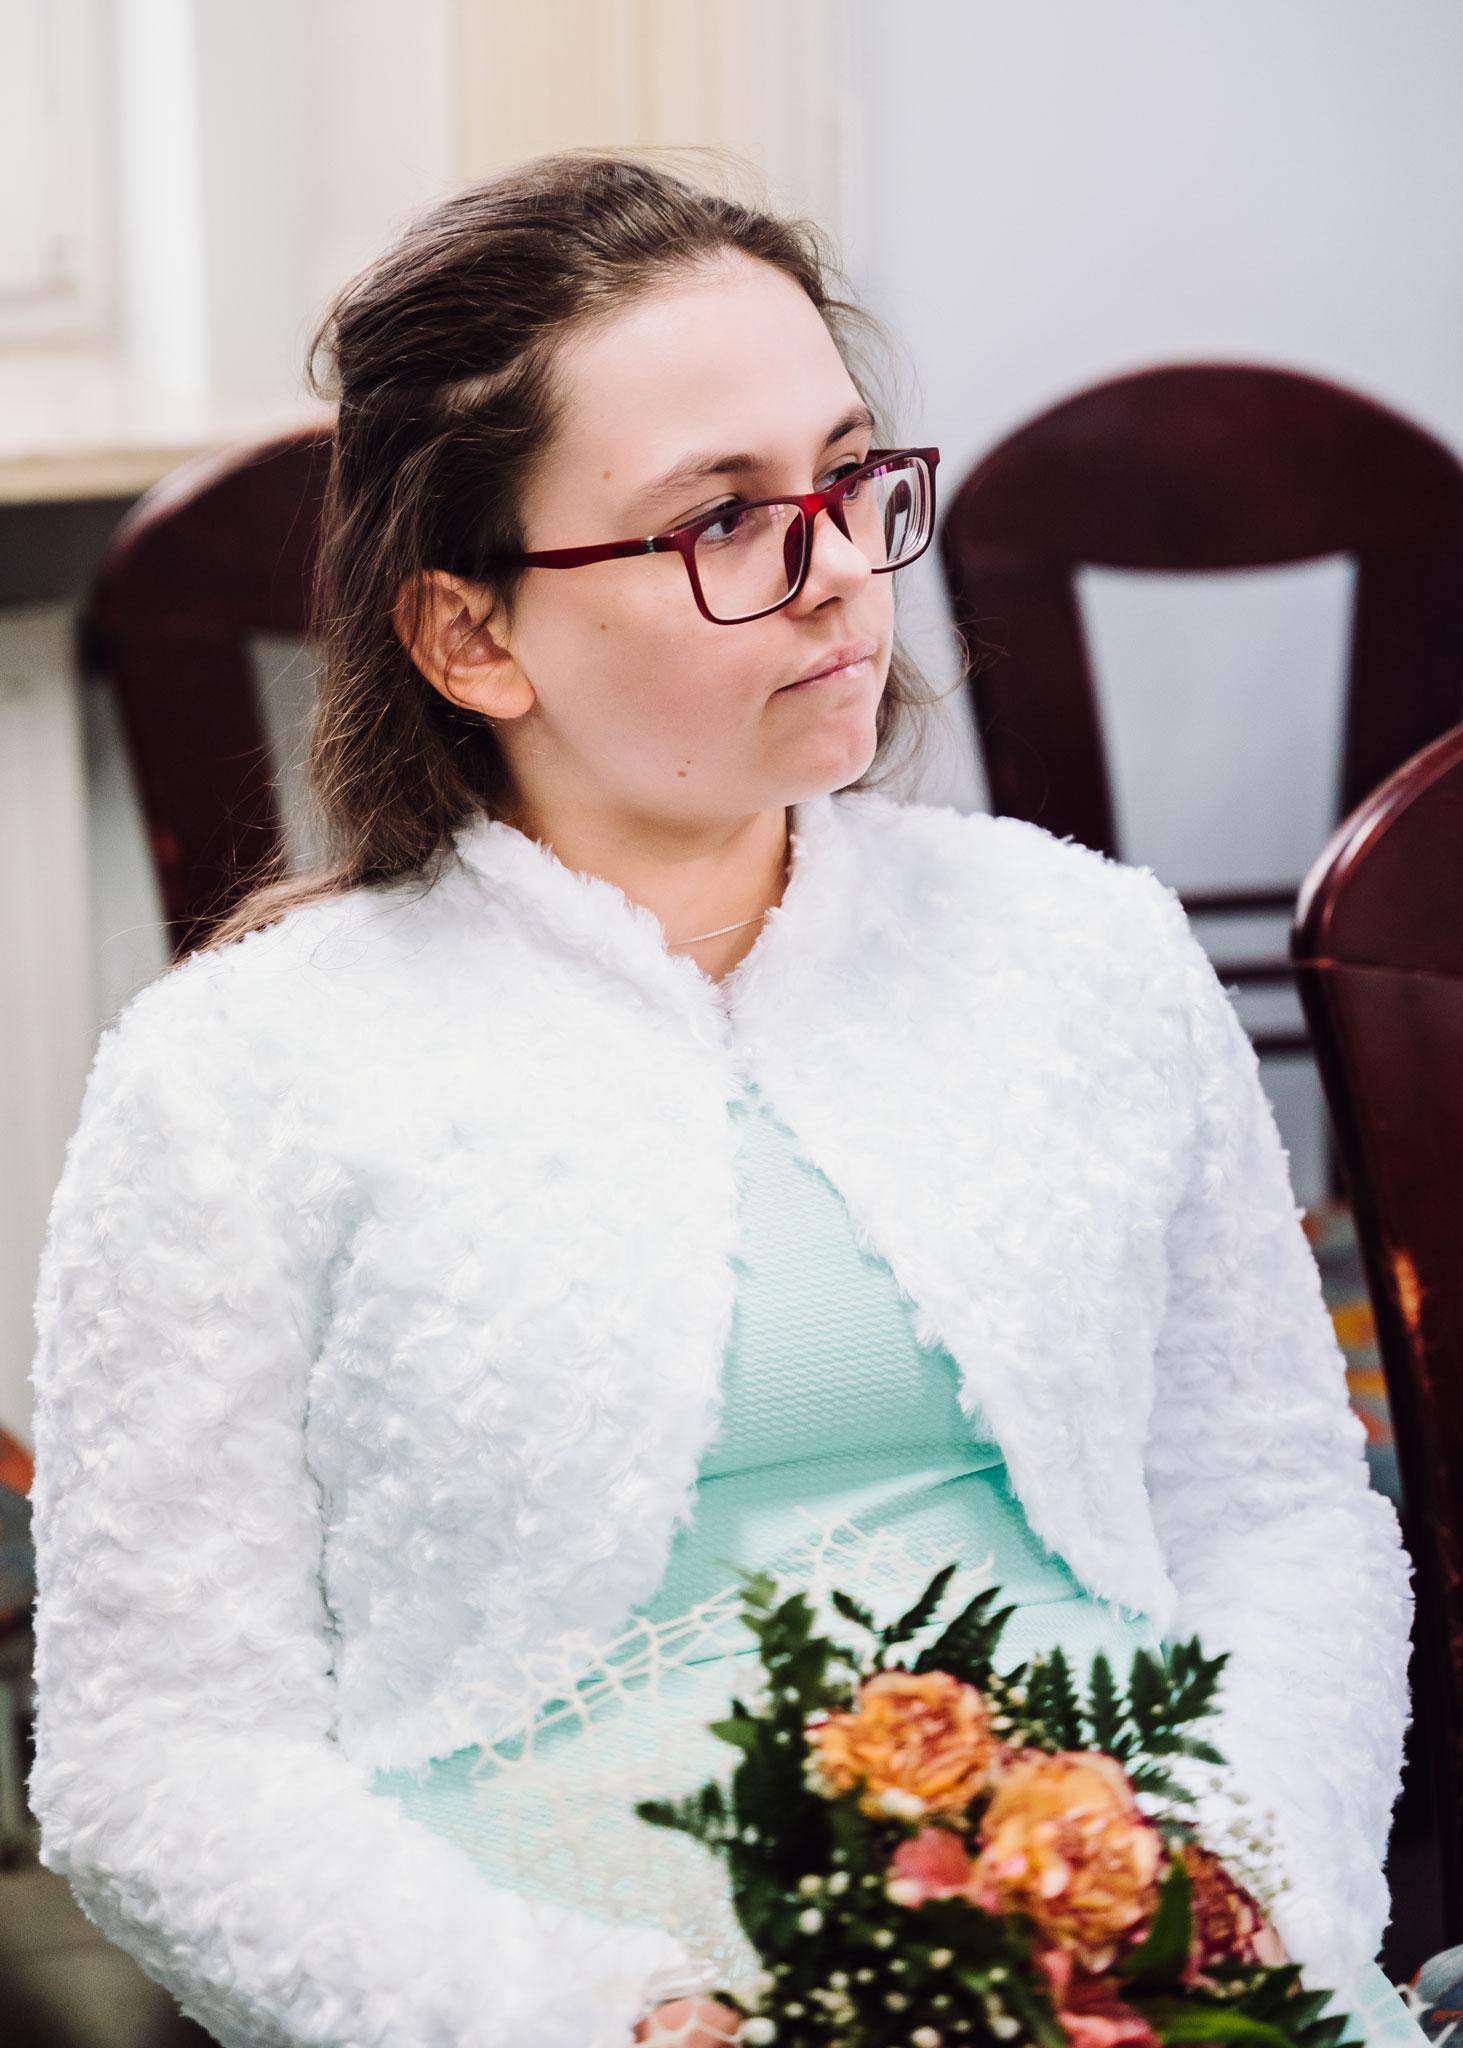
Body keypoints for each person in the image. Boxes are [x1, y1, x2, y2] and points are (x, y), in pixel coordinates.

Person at [26, 148, 1424, 2048]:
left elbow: (1275, 1508)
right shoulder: (240, 1074)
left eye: (848, 478)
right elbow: (158, 1753)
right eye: (725, 519)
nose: (840, 568)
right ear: (471, 635)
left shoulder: (1083, 950)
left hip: (1131, 1942)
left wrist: (1225, 1894)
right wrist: (603, 2022)